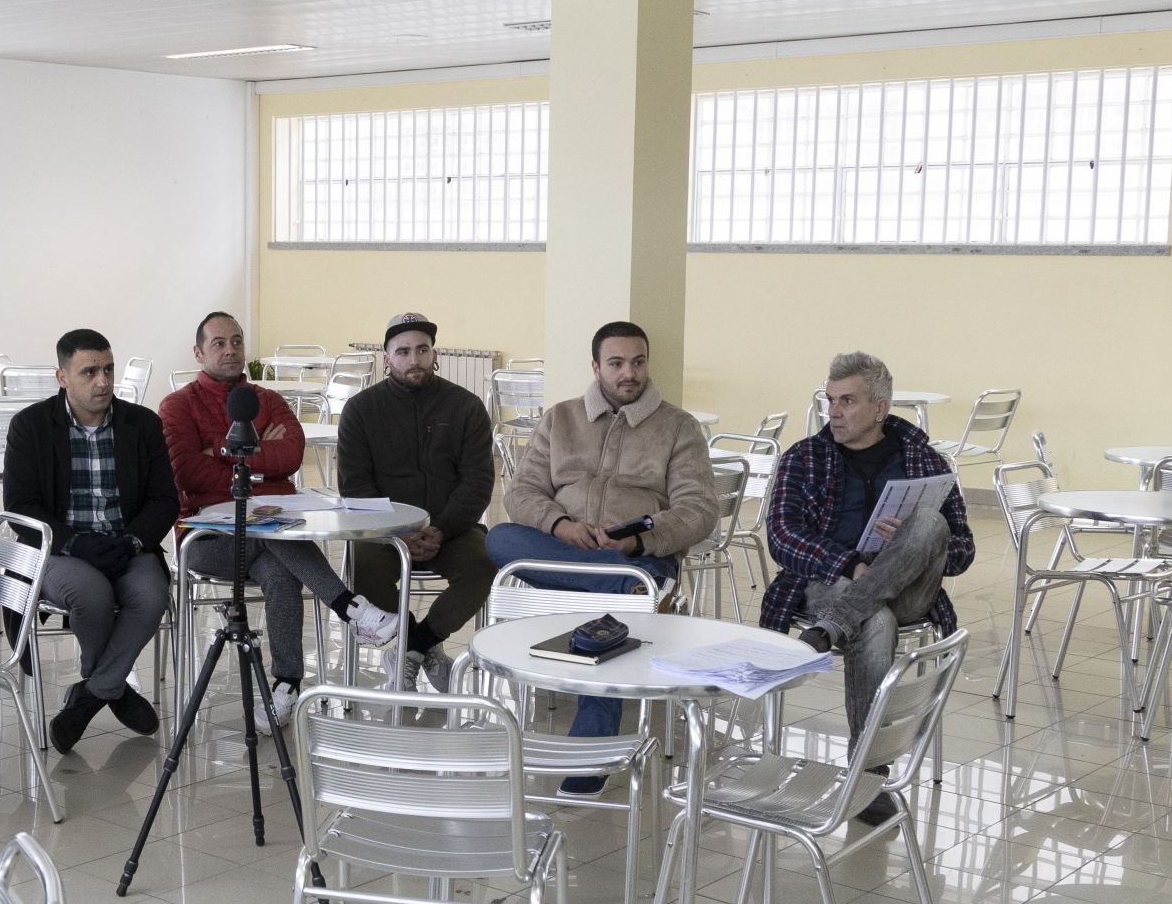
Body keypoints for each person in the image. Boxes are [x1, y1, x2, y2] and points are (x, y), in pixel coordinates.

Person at [488, 322, 718, 789]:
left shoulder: (678, 427)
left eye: (638, 362)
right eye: (616, 363)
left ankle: (588, 760)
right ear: (595, 367)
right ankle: (618, 583)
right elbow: (522, 493)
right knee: (498, 538)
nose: (628, 373)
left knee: (609, 609)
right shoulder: (560, 418)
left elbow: (698, 511)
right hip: (568, 551)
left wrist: (634, 543)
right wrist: (562, 526)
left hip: (641, 555)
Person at [157, 312, 402, 727]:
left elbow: (291, 454)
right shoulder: (177, 406)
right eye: (219, 343)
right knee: (274, 531)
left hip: (271, 531)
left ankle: (286, 685)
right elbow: (187, 473)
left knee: (280, 568)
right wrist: (252, 459)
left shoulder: (267, 399)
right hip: (206, 538)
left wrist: (218, 451)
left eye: (237, 341)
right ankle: (351, 609)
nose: (230, 350)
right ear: (198, 352)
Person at [762, 351, 973, 823]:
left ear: (880, 408)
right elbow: (781, 536)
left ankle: (835, 625)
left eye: (848, 401)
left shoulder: (925, 461)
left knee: (928, 523)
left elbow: (962, 550)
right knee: (874, 621)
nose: (833, 412)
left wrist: (912, 545)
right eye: (830, 400)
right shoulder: (804, 457)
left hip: (908, 590)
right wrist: (850, 564)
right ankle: (868, 776)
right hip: (830, 581)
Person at [2, 328, 176, 752]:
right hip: (60, 549)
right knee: (91, 595)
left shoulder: (142, 424)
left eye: (109, 370)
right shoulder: (31, 426)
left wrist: (132, 542)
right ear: (62, 377)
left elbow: (164, 500)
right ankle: (113, 687)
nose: (103, 381)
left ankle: (93, 691)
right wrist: (75, 543)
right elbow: (21, 505)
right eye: (89, 372)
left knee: (152, 596)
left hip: (126, 545)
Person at [334, 312, 496, 691]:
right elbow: (355, 486)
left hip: (452, 529)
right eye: (403, 352)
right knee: (361, 565)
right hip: (384, 532)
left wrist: (441, 529)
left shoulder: (466, 406)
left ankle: (412, 648)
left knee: (484, 565)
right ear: (387, 359)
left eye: (422, 350)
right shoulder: (361, 410)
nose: (414, 359)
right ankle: (424, 647)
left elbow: (478, 482)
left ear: (434, 355)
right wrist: (397, 533)